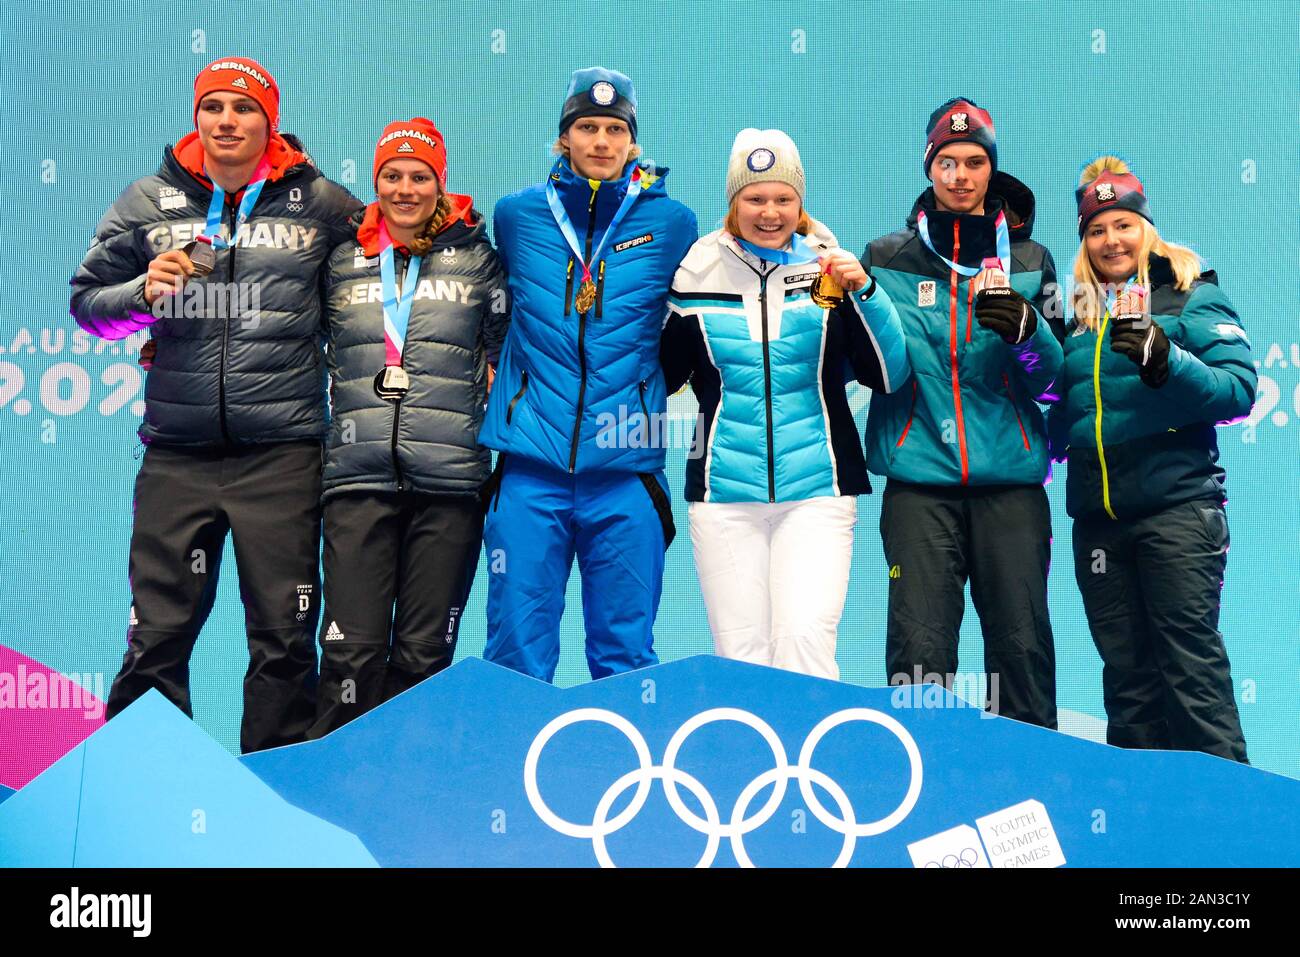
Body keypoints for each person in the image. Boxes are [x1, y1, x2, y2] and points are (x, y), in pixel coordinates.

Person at [69, 57, 361, 752]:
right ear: (196, 116)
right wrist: (142, 293)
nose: (227, 120)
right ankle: (140, 787)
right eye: (214, 107)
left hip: (283, 454)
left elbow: (382, 283)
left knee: (284, 640)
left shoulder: (320, 203)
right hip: (178, 453)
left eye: (245, 108)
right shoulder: (148, 199)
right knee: (156, 637)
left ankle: (279, 799)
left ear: (271, 121)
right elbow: (87, 305)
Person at [661, 129, 908, 680]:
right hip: (724, 495)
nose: (769, 212)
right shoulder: (697, 269)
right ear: (734, 201)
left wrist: (865, 292)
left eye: (782, 198)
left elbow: (888, 375)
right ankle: (752, 768)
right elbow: (663, 375)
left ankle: (812, 767)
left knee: (803, 646)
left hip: (818, 492)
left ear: (800, 203)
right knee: (741, 660)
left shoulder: (829, 265)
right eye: (754, 198)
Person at [477, 67, 698, 682]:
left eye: (614, 129)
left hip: (626, 472)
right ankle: (504, 775)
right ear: (564, 138)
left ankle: (634, 778)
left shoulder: (673, 223)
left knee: (626, 658)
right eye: (586, 127)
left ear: (633, 143)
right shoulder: (518, 216)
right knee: (515, 654)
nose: (600, 141)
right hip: (530, 469)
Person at [861, 97, 1064, 727]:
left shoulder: (1031, 261)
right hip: (919, 485)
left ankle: (1034, 788)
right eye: (946, 161)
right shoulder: (887, 258)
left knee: (1022, 650)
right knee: (919, 658)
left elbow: (1054, 382)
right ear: (929, 168)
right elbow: (870, 363)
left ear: (990, 169)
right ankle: (922, 792)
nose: (960, 176)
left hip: (1011, 486)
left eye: (974, 162)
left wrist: (1028, 333)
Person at [306, 119, 510, 735]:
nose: (404, 188)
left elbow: (506, 359)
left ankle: (411, 798)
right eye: (391, 176)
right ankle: (330, 792)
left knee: (424, 657)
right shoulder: (342, 260)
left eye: (419, 176)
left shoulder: (479, 261)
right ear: (376, 182)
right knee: (349, 652)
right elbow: (289, 339)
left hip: (450, 487)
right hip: (357, 482)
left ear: (439, 183)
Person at [1050, 156, 1255, 761]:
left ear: (1147, 229)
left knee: (1191, 673)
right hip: (1099, 524)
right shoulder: (1078, 316)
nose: (1111, 240)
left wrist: (1167, 357)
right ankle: (1142, 830)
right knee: (1127, 683)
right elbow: (1066, 417)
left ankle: (1230, 831)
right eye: (1096, 229)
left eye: (1123, 225)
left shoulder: (1192, 294)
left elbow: (1238, 391)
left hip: (1178, 513)